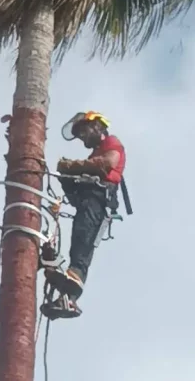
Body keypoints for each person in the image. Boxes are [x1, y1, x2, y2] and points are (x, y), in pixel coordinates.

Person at [40, 111, 126, 319]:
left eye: (84, 132)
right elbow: (79, 188)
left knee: (83, 243)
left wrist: (72, 166)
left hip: (99, 200)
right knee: (79, 240)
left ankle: (73, 288)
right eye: (79, 135)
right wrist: (67, 178)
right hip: (88, 201)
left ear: (97, 126)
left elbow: (106, 164)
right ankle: (66, 298)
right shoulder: (94, 155)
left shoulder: (112, 143)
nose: (82, 137)